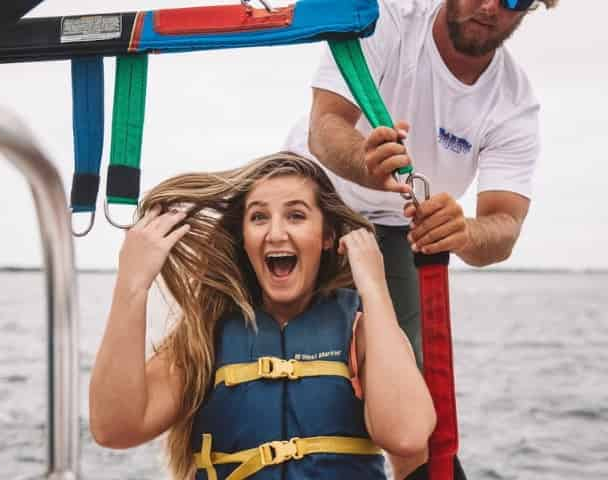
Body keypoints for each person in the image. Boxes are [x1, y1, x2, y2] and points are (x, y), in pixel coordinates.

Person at [89, 152, 436, 480]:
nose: (275, 233)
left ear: (327, 236)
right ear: (243, 238)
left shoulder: (362, 327)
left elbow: (406, 436)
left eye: (296, 216)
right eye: (258, 217)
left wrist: (373, 287)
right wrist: (132, 284)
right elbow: (114, 428)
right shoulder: (205, 333)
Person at [285, 0, 559, 370]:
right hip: (306, 192)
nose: (491, 6)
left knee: (400, 372)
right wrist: (365, 163)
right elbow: (326, 124)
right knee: (256, 341)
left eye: (515, 0)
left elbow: (505, 226)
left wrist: (462, 232)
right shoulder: (384, 19)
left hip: (397, 229)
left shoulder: (514, 105)